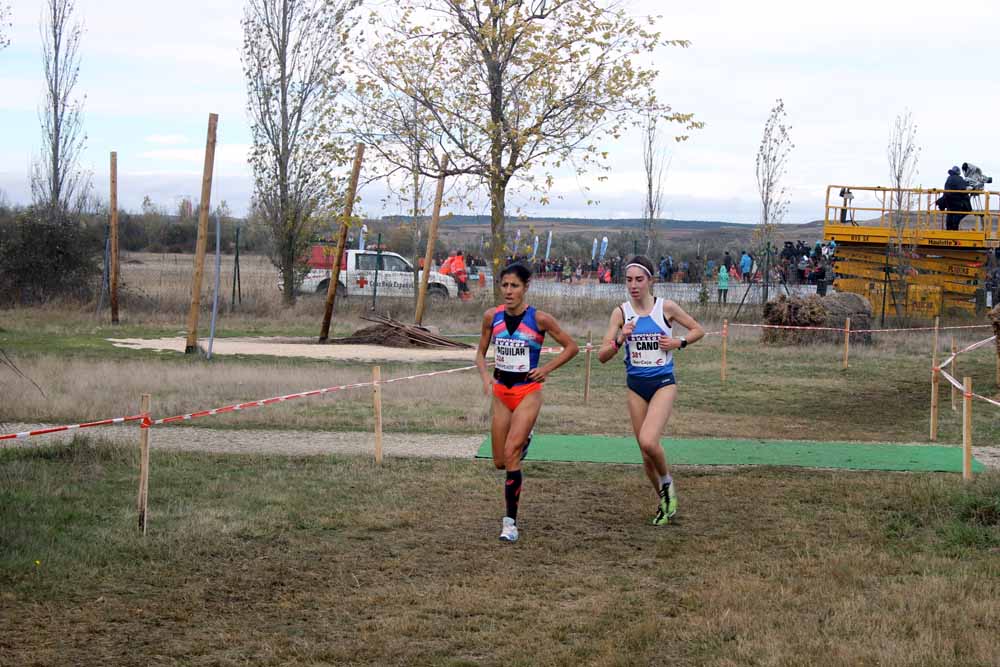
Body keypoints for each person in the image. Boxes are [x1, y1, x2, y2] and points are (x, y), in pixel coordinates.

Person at [475, 263, 579, 543]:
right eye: (505, 285)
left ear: (526, 287)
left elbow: (572, 347)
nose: (508, 291)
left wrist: (546, 369)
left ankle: (510, 523)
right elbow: (480, 354)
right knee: (499, 461)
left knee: (511, 452)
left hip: (528, 391)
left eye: (515, 286)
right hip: (501, 392)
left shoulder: (540, 319)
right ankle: (524, 440)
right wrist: (485, 376)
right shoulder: (491, 317)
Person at [597, 256, 705, 526]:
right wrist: (621, 337)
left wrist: (678, 342)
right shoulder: (620, 313)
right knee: (645, 453)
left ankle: (667, 482)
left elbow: (697, 329)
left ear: (650, 281)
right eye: (629, 280)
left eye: (639, 279)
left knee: (648, 440)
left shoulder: (665, 308)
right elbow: (602, 355)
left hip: (662, 384)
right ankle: (665, 502)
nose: (633, 285)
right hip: (635, 387)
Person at [940, 166, 972, 231]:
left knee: (950, 215)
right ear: (958, 172)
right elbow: (964, 188)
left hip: (949, 202)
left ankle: (949, 230)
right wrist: (970, 187)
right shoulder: (959, 179)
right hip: (957, 203)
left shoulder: (949, 178)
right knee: (967, 209)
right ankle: (954, 230)